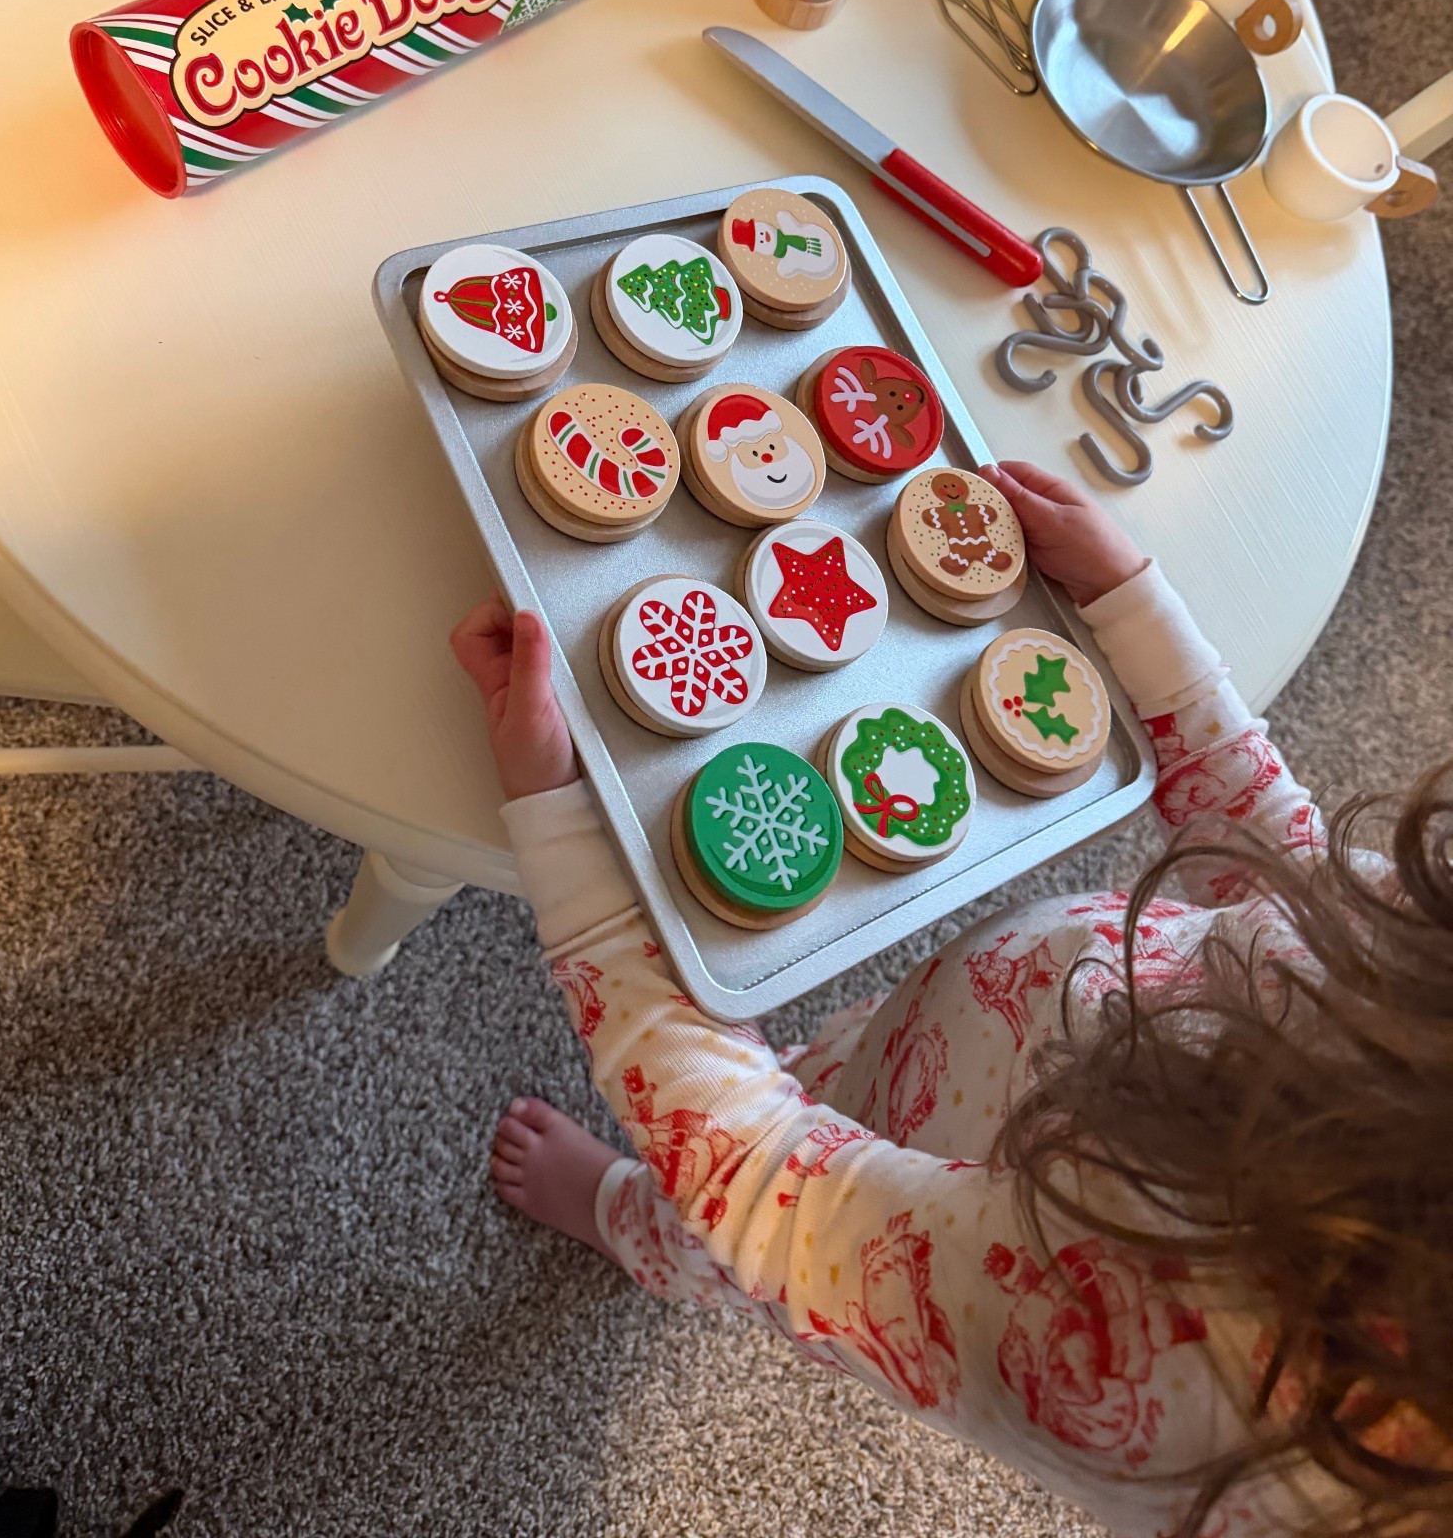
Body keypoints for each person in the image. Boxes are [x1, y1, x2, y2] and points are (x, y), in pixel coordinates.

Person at [451, 460, 1451, 1538]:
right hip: (969, 1029)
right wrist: (1139, 614)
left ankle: (630, 1222)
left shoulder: (1148, 1362)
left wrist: (563, 827)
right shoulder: (1417, 967)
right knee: (828, 1069)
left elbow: (770, 1187)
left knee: (728, 1240)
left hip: (913, 1181)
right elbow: (1282, 886)